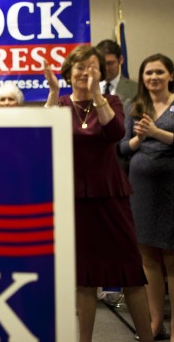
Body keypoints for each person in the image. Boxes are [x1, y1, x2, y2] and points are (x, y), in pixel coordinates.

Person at [43, 45, 153, 342]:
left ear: (101, 73)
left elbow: (116, 132)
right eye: (79, 67)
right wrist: (53, 93)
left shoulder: (112, 101)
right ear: (68, 73)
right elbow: (42, 133)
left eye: (92, 67)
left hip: (110, 194)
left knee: (130, 269)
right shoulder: (61, 103)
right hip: (74, 198)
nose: (85, 72)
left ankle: (146, 337)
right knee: (85, 277)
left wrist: (97, 96)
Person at [119, 53, 174, 341]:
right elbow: (123, 148)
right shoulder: (135, 105)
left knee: (171, 258)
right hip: (141, 191)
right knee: (148, 258)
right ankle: (155, 323)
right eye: (148, 73)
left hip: (170, 190)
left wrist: (156, 132)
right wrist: (141, 138)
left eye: (159, 72)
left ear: (171, 76)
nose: (153, 77)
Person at [96, 39, 138, 106]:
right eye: (102, 64)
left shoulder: (136, 89)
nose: (106, 68)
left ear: (121, 60)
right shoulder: (87, 88)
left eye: (110, 63)